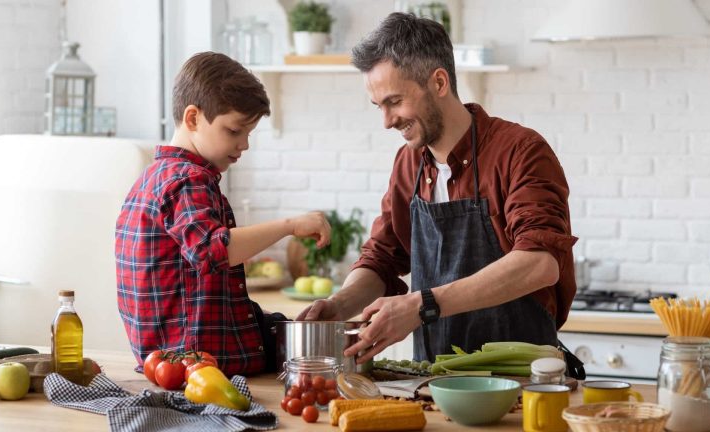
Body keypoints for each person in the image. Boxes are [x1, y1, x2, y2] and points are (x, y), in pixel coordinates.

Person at [298, 13, 578, 366]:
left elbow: (540, 263)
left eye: (394, 101)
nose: (386, 121)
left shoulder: (520, 151)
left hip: (520, 385)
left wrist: (422, 304)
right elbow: (383, 258)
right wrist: (341, 304)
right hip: (432, 381)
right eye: (378, 106)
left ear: (440, 82)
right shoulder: (409, 163)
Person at [115, 52, 330, 376]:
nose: (244, 144)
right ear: (193, 119)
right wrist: (289, 225)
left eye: (248, 133)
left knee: (294, 329)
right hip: (199, 362)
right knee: (321, 353)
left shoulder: (152, 178)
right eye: (233, 130)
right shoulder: (188, 179)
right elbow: (211, 251)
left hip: (168, 358)